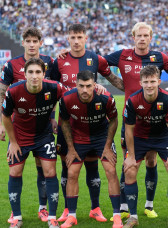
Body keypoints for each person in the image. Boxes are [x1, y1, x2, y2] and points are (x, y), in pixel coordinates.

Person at [103, 22, 168, 219]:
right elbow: (99, 63)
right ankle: (122, 208)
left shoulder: (159, 57)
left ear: (151, 37)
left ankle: (149, 205)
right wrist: (116, 83)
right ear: (133, 36)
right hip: (132, 118)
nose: (143, 38)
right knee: (128, 163)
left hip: (156, 122)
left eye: (146, 35)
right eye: (139, 35)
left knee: (151, 161)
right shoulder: (122, 55)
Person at [50, 24, 119, 223]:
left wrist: (130, 90)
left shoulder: (95, 58)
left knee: (92, 166)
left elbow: (111, 77)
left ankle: (95, 208)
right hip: (68, 122)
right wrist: (52, 117)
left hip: (94, 120)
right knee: (67, 165)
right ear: (68, 38)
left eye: (80, 37)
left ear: (86, 38)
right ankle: (67, 210)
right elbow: (52, 89)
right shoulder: (60, 60)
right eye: (73, 37)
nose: (77, 40)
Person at [0, 27, 54, 224]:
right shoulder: (11, 65)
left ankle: (43, 209)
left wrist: (53, 116)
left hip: (43, 126)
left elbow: (55, 90)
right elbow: (1, 94)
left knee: (43, 168)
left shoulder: (50, 62)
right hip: (18, 126)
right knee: (15, 170)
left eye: (34, 41)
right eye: (27, 41)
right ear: (23, 43)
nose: (31, 44)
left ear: (40, 43)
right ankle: (15, 213)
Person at [2, 58, 68, 228]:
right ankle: (16, 217)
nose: (34, 76)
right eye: (30, 72)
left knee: (50, 172)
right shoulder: (13, 91)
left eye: (38, 72)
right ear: (24, 74)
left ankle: (51, 217)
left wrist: (97, 88)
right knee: (15, 172)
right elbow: (5, 116)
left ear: (44, 74)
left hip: (43, 136)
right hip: (20, 137)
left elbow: (71, 96)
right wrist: (13, 143)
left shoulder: (54, 87)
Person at [58, 70, 122, 228]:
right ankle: (72, 216)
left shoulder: (106, 98)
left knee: (111, 170)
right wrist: (71, 148)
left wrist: (107, 146)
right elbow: (64, 123)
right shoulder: (66, 99)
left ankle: (117, 216)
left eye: (88, 86)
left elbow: (114, 120)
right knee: (72, 173)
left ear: (94, 85)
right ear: (76, 85)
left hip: (101, 138)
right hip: (79, 137)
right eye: (81, 86)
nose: (85, 90)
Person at [122, 65, 168, 228]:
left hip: (162, 138)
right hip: (139, 138)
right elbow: (128, 129)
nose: (149, 85)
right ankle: (132, 217)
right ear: (140, 82)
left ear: (159, 82)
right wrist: (131, 156)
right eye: (146, 82)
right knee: (130, 169)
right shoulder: (133, 100)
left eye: (152, 81)